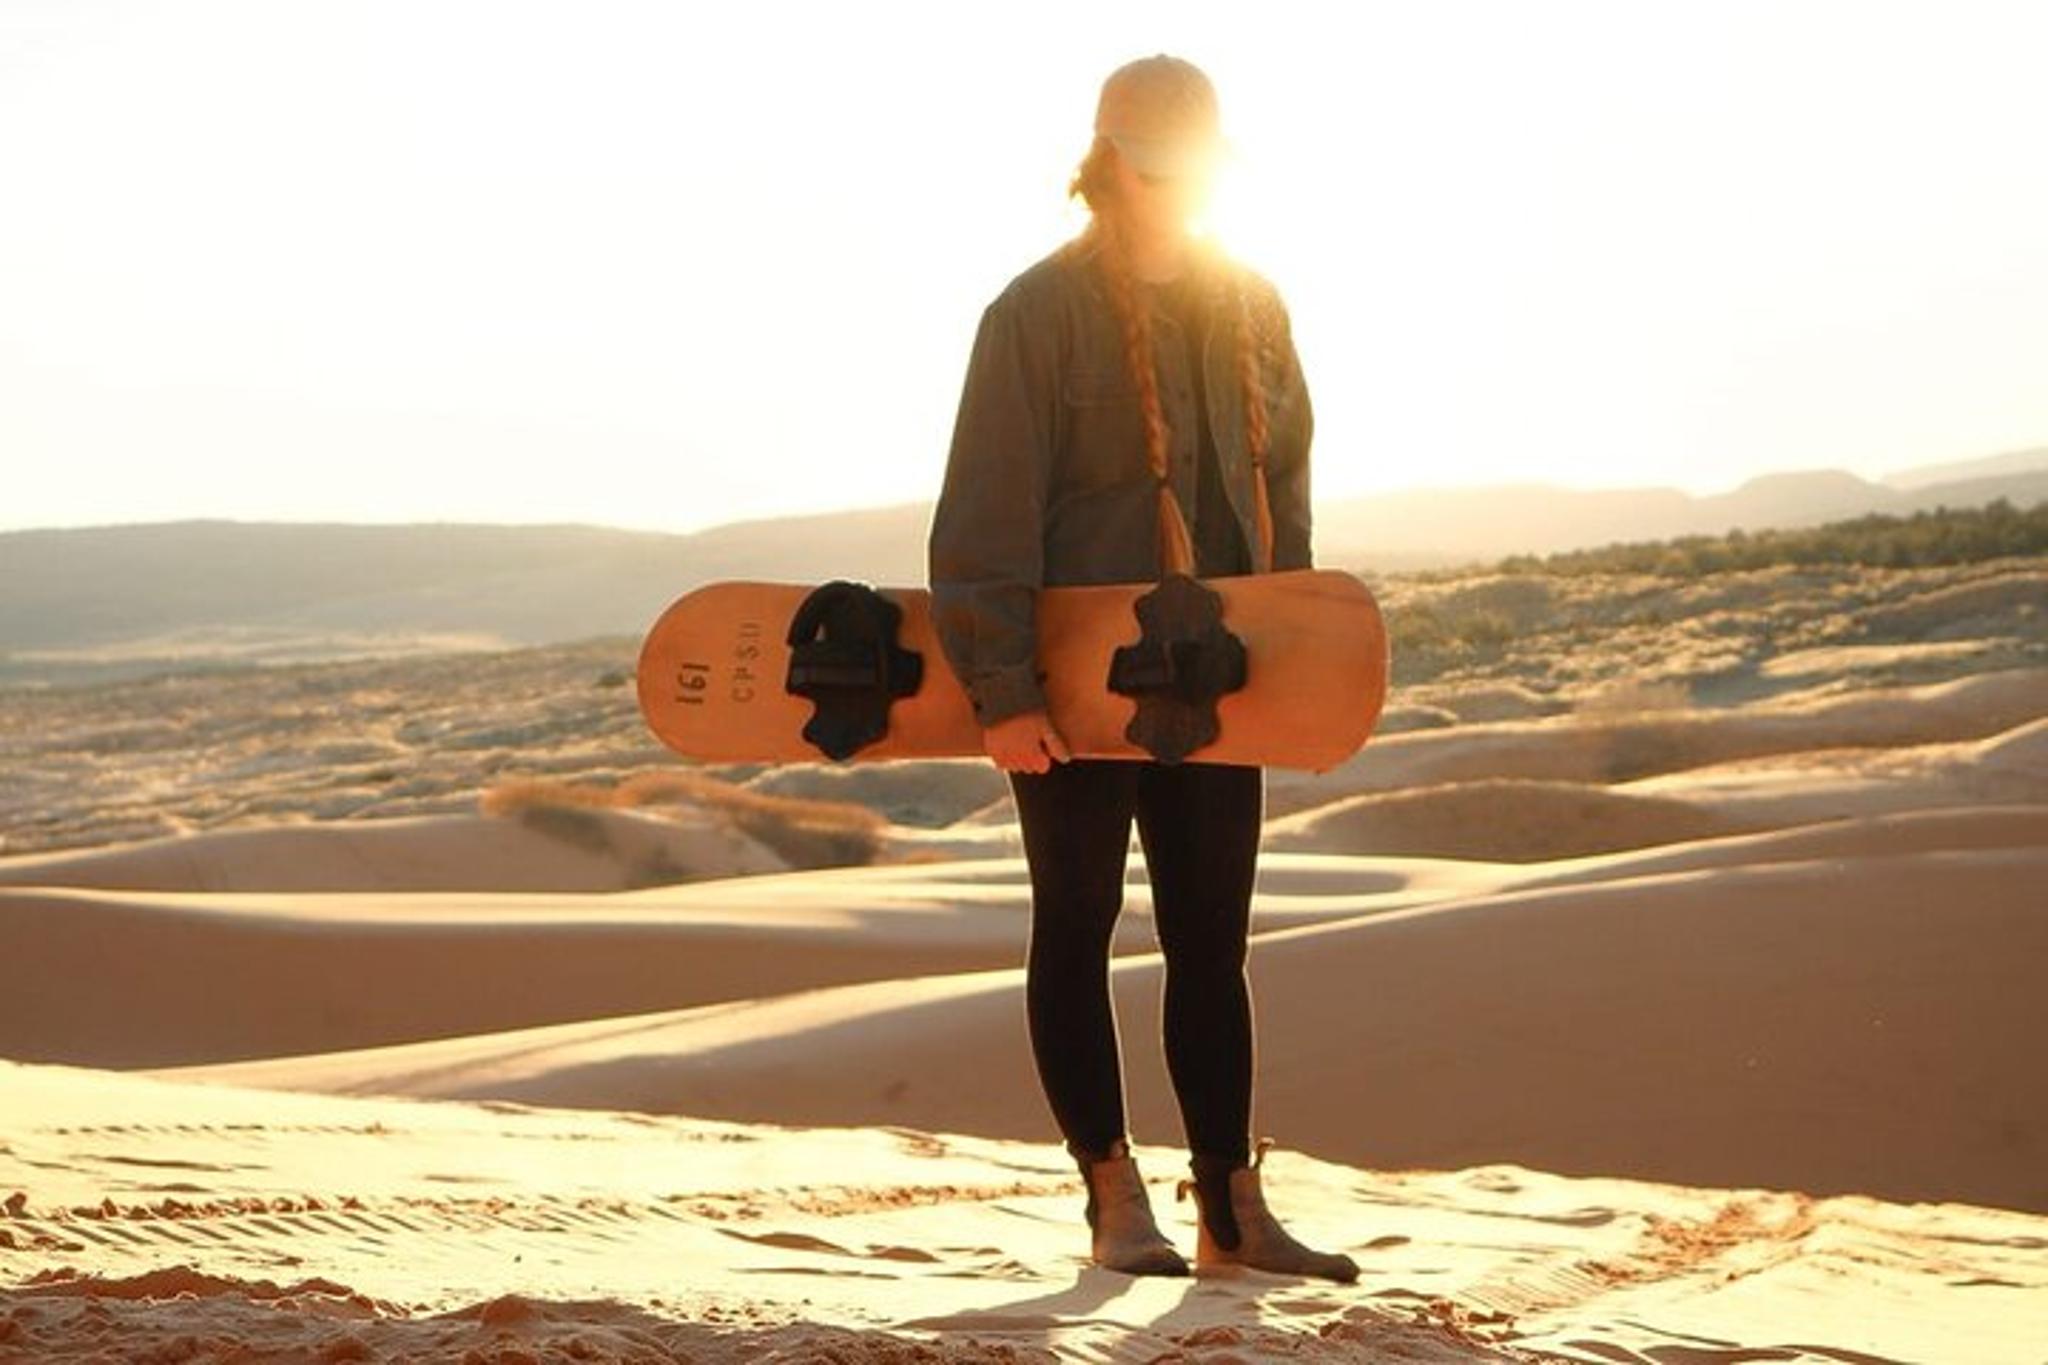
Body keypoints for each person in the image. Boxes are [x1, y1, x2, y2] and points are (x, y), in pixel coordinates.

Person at [926, 53, 1357, 1283]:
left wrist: (1288, 657)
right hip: (1069, 690)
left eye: (1190, 171)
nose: (1170, 190)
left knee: (1211, 940)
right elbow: (982, 518)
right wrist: (1003, 696)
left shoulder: (1252, 304)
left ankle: (1230, 1202)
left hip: (1216, 682)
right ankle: (1112, 1194)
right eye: (1152, 168)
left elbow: (1285, 498)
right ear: (1109, 161)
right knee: (1075, 926)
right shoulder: (1033, 315)